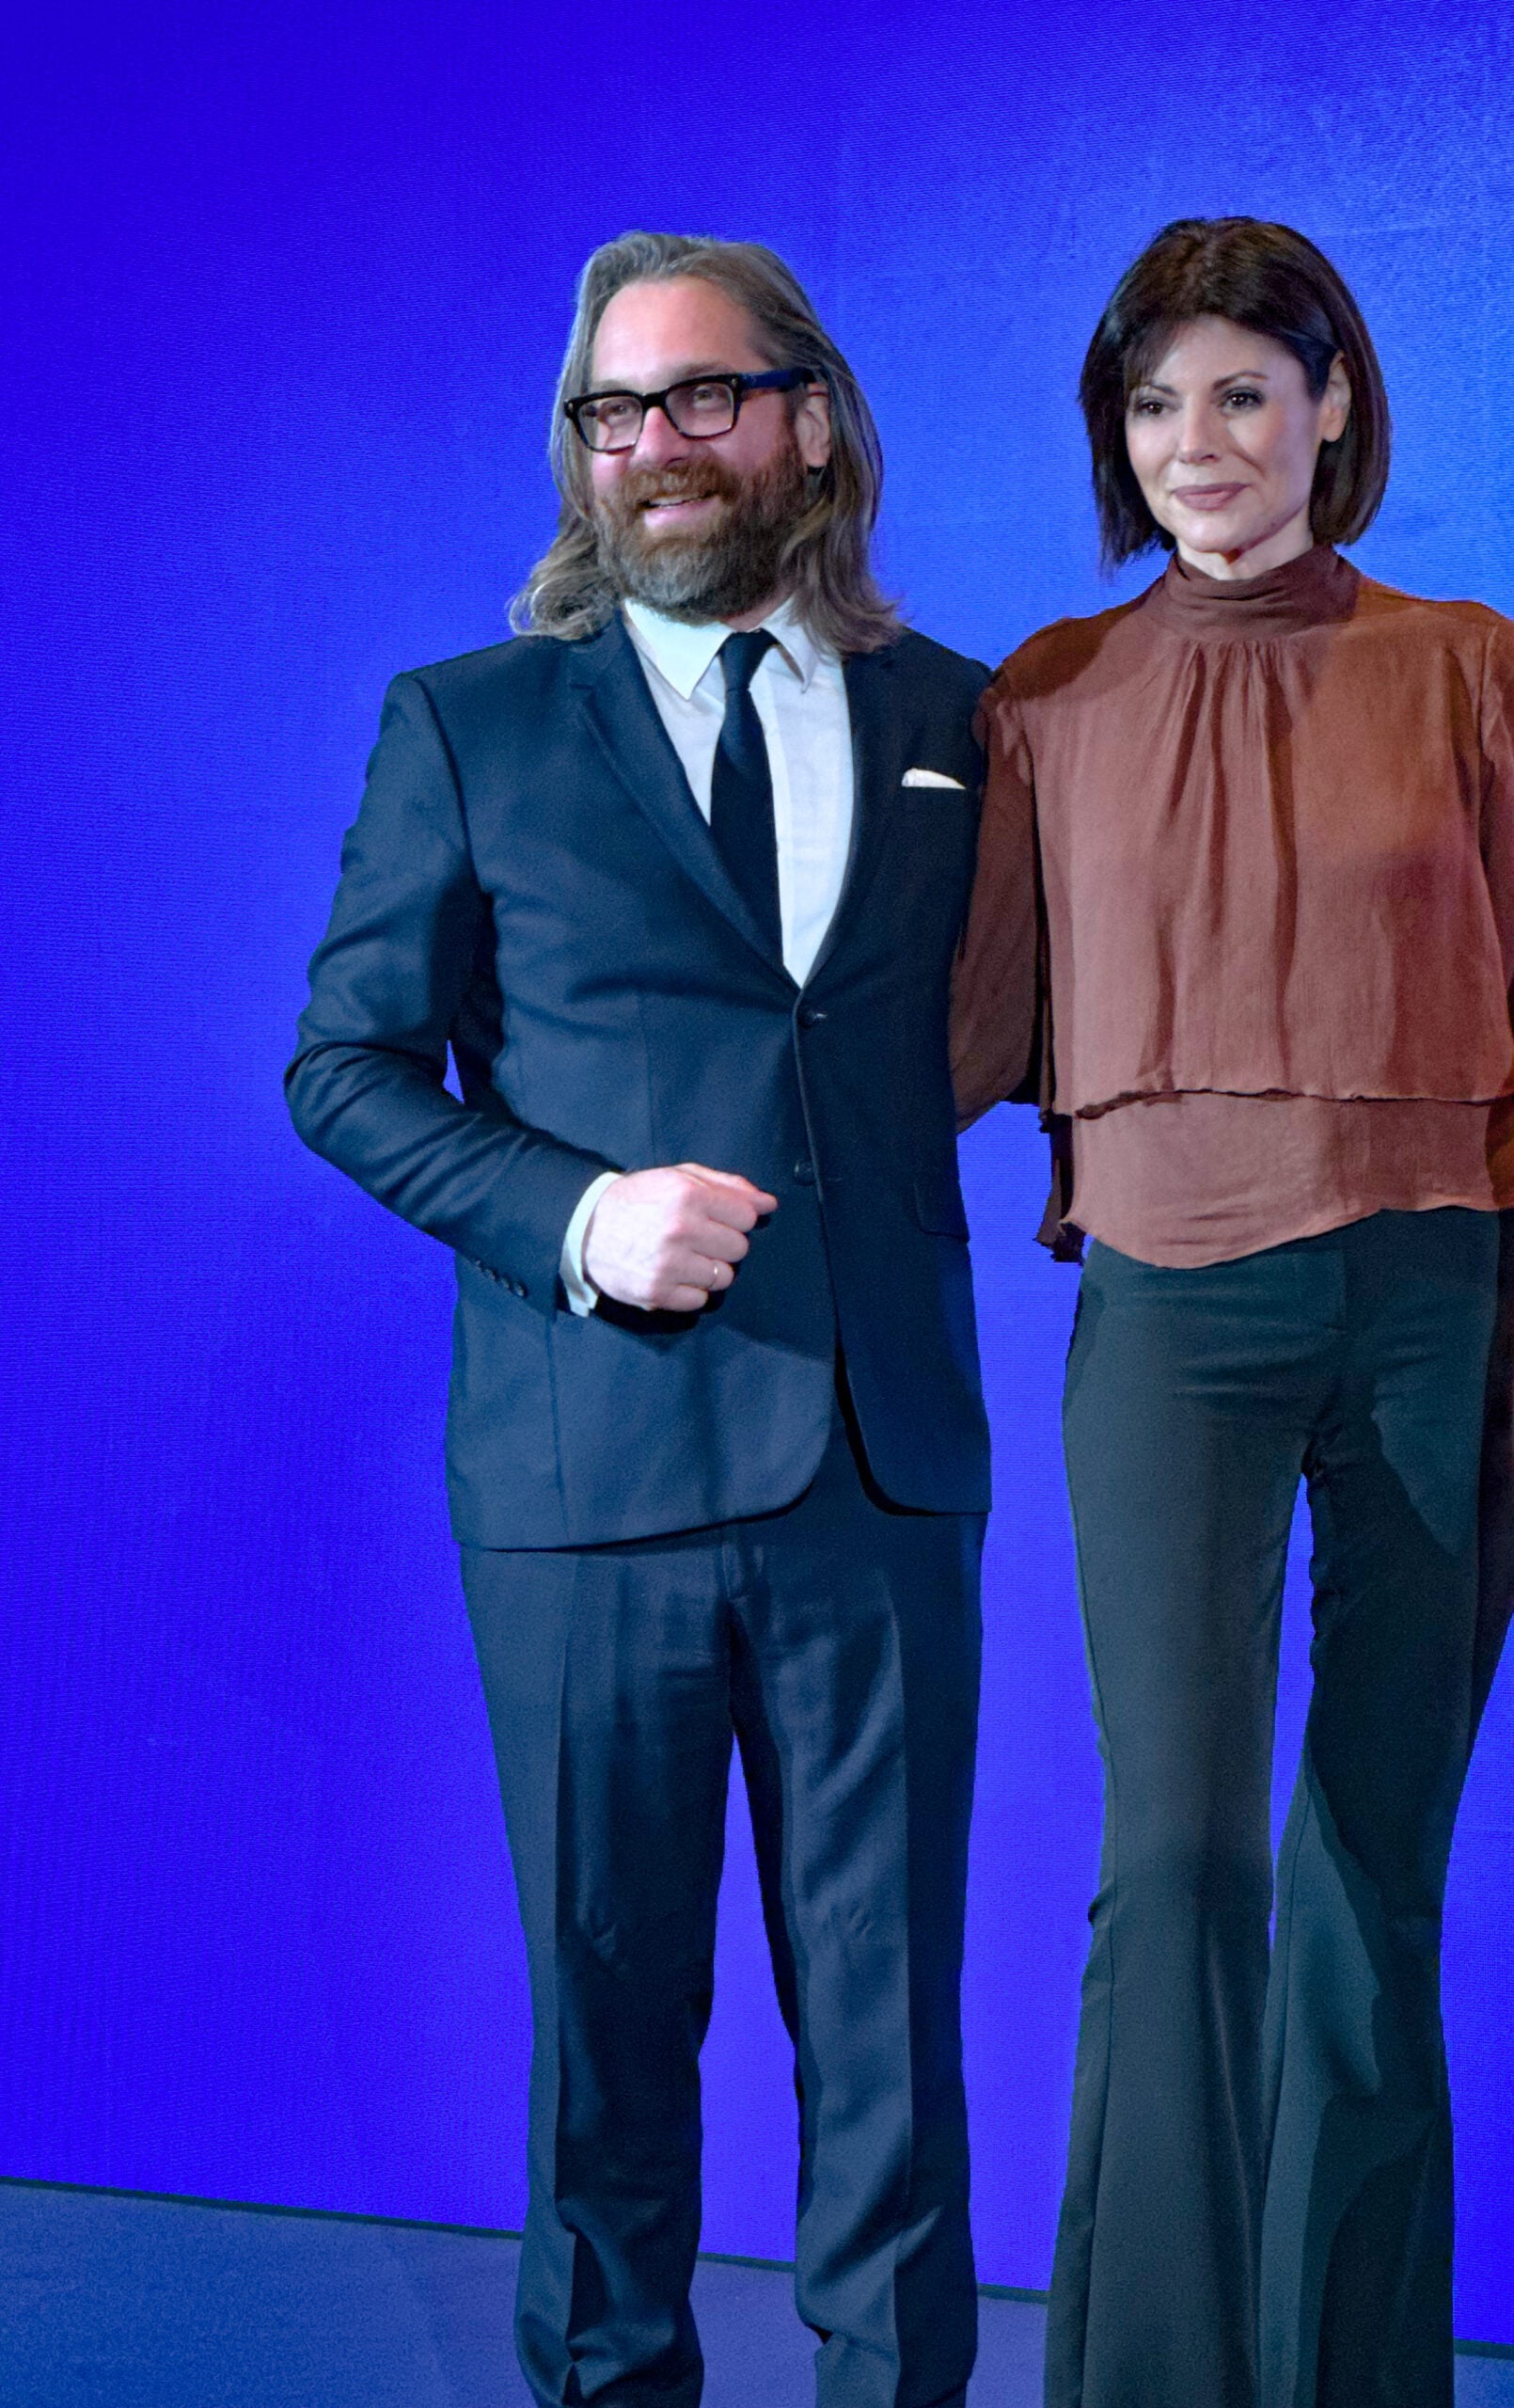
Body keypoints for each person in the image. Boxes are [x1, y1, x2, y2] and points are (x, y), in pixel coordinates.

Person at [287, 230, 1022, 2408]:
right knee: (607, 2032)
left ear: (813, 421)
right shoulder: (470, 725)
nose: (655, 446)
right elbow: (343, 1068)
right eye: (613, 410)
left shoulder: (963, 719)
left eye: (704, 396)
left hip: (880, 1476)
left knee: (890, 2039)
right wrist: (583, 1215)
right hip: (584, 1478)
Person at [952, 215, 1514, 2408]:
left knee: (1373, 1873)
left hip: (1441, 1302)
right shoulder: (1046, 698)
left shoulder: (1469, 669)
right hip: (1169, 1312)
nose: (1197, 443)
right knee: (1177, 1860)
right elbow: (955, 1032)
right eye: (1154, 402)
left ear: (1331, 404)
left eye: (1242, 395)